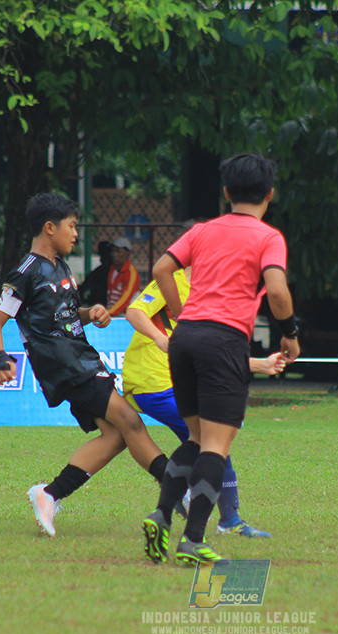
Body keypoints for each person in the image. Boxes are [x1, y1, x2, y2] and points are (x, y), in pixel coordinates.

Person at [141, 152, 300, 566]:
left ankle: (160, 515)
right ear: (270, 194)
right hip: (223, 341)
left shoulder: (203, 230)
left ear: (226, 192)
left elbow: (161, 268)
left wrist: (178, 312)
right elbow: (278, 292)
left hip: (186, 338)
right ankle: (193, 540)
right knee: (216, 445)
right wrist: (290, 334)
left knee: (194, 439)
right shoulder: (268, 237)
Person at [0, 193, 170, 538]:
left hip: (80, 357)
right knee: (130, 420)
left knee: (116, 436)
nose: (75, 234)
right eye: (71, 226)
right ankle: (177, 487)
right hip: (65, 364)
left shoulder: (62, 267)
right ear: (49, 227)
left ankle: (50, 494)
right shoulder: (24, 272)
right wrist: (1, 359)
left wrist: (92, 313)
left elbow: (66, 316)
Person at [124, 267, 284, 539]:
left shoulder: (213, 296)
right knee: (214, 439)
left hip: (176, 383)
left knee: (202, 442)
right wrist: (160, 338)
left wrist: (260, 364)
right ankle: (226, 519)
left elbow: (213, 354)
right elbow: (134, 312)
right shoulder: (172, 282)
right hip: (153, 383)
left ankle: (172, 502)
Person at [106, 236, 140, 315]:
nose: (114, 254)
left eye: (118, 251)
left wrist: (109, 312)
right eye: (112, 251)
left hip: (126, 315)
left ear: (127, 253)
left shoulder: (131, 273)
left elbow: (125, 299)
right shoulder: (112, 270)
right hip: (113, 313)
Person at [78, 240, 113, 307]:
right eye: (103, 254)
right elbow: (83, 288)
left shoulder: (117, 272)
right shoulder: (97, 272)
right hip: (97, 305)